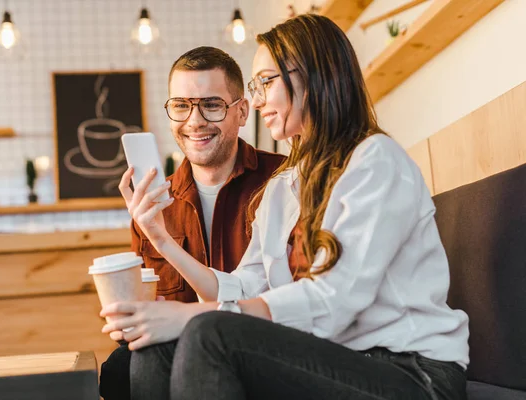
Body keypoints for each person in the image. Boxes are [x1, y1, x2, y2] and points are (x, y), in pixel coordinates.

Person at [102, 14, 470, 400]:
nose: (257, 100)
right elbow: (241, 286)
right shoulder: (283, 185)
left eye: (265, 82)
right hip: (334, 358)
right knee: (153, 347)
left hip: (410, 372)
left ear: (311, 78)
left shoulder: (375, 161)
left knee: (209, 333)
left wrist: (188, 315)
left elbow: (334, 301)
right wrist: (161, 238)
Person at [99, 46, 285, 399]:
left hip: (260, 338)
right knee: (119, 367)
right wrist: (129, 314)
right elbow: (155, 304)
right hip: (179, 345)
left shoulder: (282, 180)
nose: (194, 121)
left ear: (242, 111)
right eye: (181, 106)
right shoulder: (153, 205)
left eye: (211, 105)